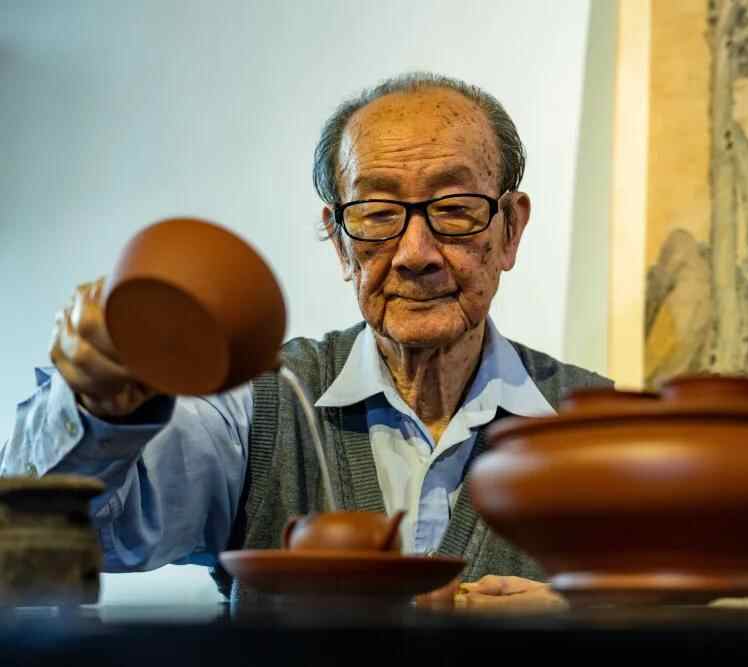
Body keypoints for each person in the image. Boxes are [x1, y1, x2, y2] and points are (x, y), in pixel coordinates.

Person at [0, 72, 611, 610]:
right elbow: (76, 531)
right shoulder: (258, 406)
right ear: (340, 242)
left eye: (454, 208)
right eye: (377, 213)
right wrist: (97, 407)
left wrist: (595, 622)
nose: (415, 254)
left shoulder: (597, 428)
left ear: (511, 230)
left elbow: (665, 610)